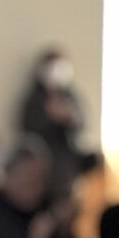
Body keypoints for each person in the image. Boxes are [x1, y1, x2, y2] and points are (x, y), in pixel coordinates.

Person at [19, 48, 99, 196]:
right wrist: (50, 118)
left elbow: (81, 125)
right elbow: (28, 130)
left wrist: (68, 118)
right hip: (43, 168)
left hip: (68, 169)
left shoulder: (70, 96)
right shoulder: (35, 100)